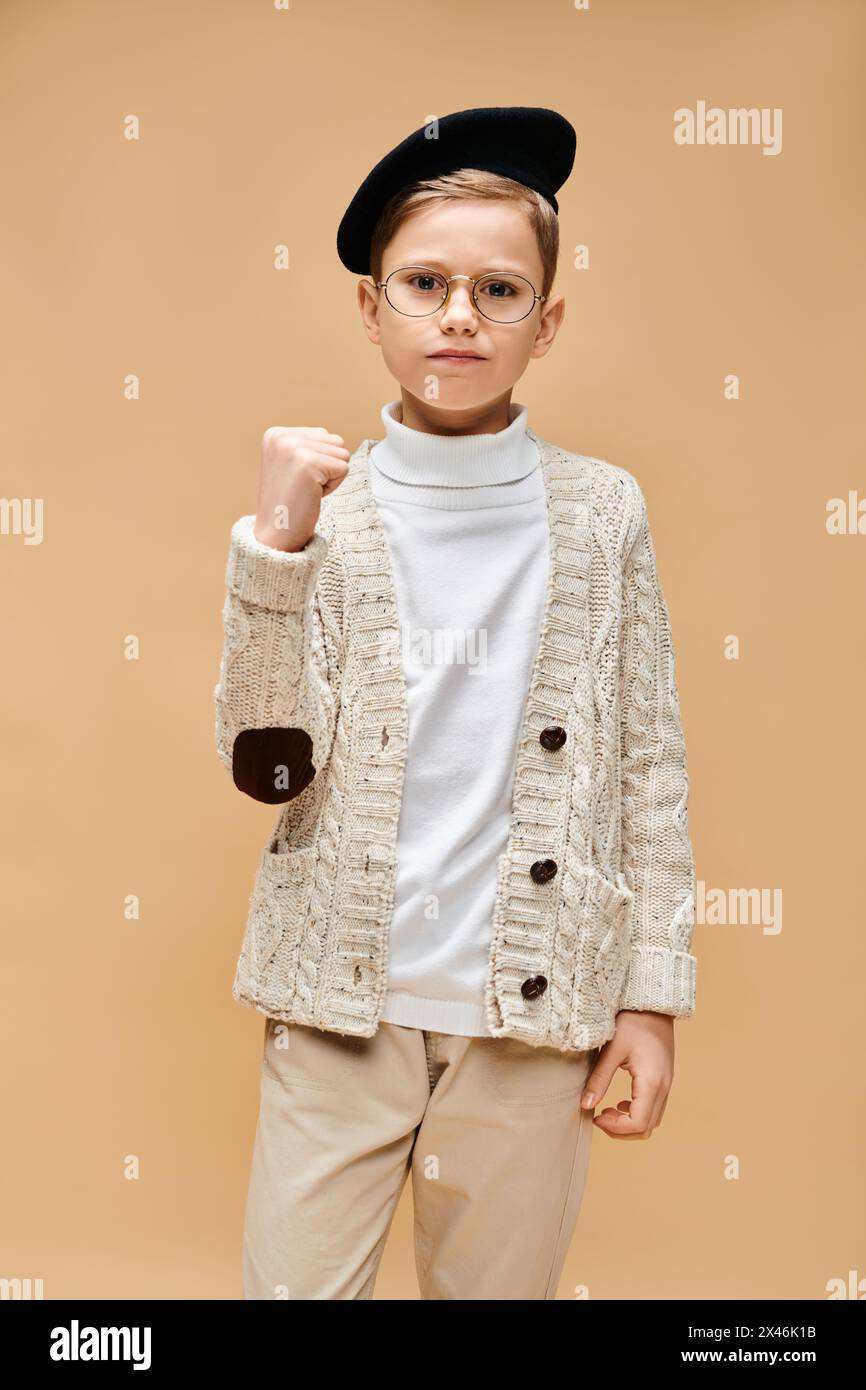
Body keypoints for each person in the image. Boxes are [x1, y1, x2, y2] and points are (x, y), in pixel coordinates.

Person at [213, 106, 698, 1300]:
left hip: (532, 1020)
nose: (459, 316)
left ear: (548, 321)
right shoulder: (324, 512)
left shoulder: (601, 512)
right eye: (424, 282)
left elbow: (647, 763)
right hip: (339, 1008)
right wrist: (276, 546)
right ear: (370, 309)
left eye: (499, 289)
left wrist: (650, 996)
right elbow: (264, 766)